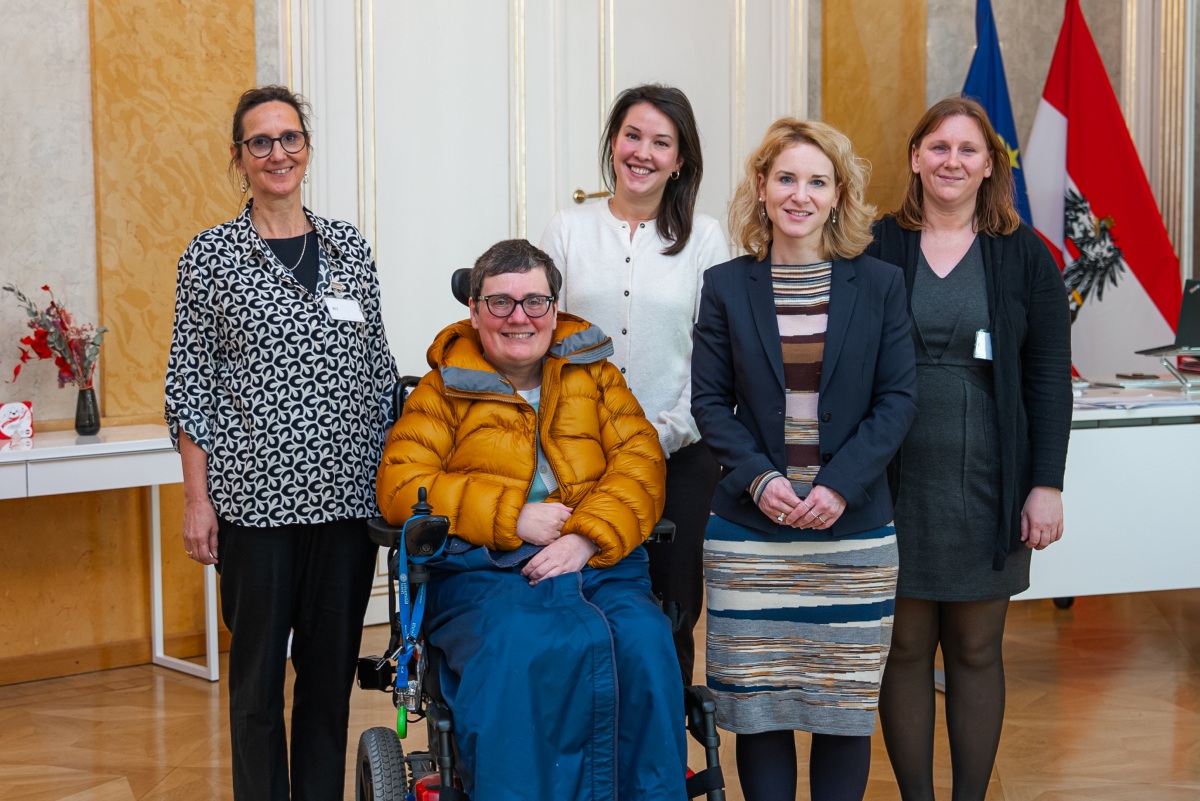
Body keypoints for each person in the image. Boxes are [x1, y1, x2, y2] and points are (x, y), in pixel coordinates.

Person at [377, 239, 687, 801]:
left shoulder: (596, 375)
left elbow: (641, 462)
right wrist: (512, 518)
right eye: (500, 303)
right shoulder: (442, 389)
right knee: (525, 646)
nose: (519, 317)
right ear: (474, 311)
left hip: (598, 565)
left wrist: (586, 538)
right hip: (484, 574)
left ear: (554, 308)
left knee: (644, 641)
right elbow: (401, 485)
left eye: (534, 302)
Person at [164, 85, 398, 801]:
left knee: (327, 685)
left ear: (307, 148)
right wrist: (197, 499)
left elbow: (380, 371)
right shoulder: (210, 256)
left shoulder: (350, 246)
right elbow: (189, 386)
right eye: (260, 142)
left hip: (345, 508)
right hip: (254, 509)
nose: (277, 153)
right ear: (237, 158)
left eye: (289, 138)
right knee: (259, 688)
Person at [691, 118, 918, 801]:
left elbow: (899, 398)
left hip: (851, 532)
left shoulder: (878, 284)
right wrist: (760, 481)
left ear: (838, 195)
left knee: (842, 707)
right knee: (759, 712)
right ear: (761, 188)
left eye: (817, 181)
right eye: (786, 178)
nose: (800, 194)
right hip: (752, 536)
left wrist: (840, 486)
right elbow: (707, 402)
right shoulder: (727, 285)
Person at [868, 96, 1072, 801]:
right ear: (916, 158)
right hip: (891, 482)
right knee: (902, 649)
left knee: (978, 651)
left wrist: (1046, 483)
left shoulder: (1025, 255)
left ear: (991, 165)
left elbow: (1048, 376)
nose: (952, 160)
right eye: (938, 146)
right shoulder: (876, 243)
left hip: (991, 479)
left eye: (967, 149)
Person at [540, 84, 727, 684]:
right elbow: (541, 341)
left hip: (680, 458)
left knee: (668, 615)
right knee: (581, 608)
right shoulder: (568, 229)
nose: (643, 152)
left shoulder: (707, 238)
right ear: (613, 143)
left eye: (661, 142)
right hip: (577, 462)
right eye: (632, 135)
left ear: (681, 160)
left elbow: (714, 358)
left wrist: (656, 435)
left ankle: (664, 764)